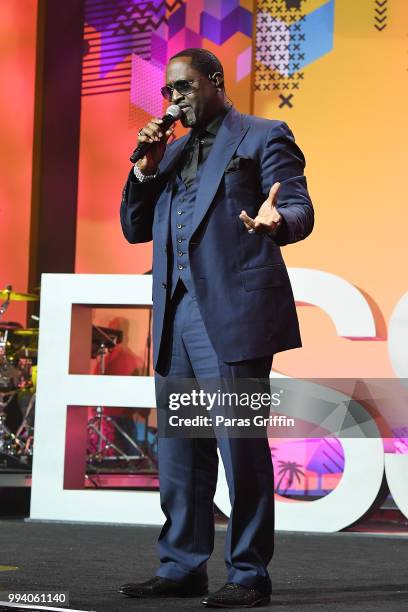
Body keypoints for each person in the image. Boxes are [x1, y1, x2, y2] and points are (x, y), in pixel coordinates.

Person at [119, 48, 314, 608]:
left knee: (240, 446)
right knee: (183, 451)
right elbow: (135, 227)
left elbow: (297, 206)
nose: (174, 100)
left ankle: (249, 573)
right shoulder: (171, 152)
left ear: (214, 82)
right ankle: (183, 565)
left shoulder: (262, 134)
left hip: (234, 316)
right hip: (176, 317)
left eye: (184, 88)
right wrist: (145, 167)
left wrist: (279, 223)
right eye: (168, 93)